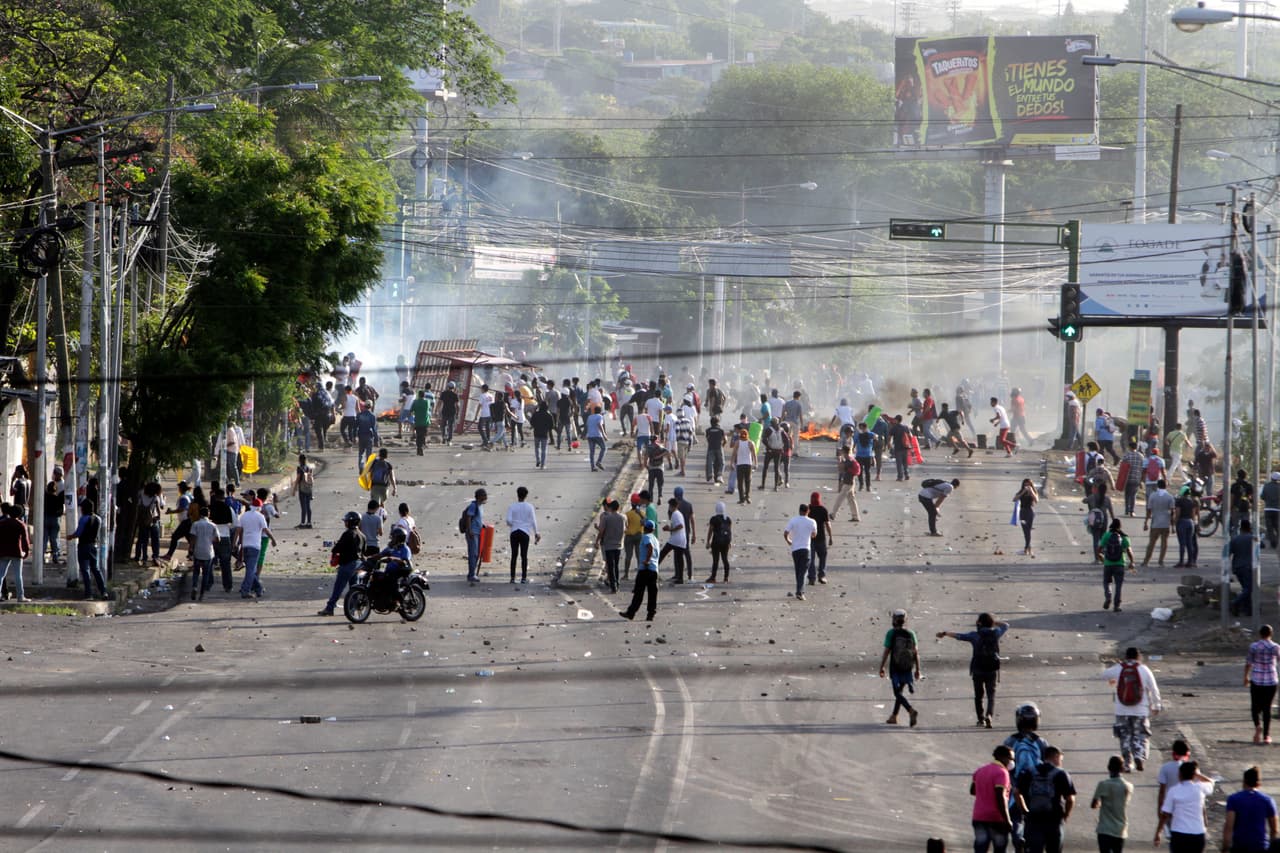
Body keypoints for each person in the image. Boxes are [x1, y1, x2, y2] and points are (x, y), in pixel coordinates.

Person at [937, 612, 1009, 728]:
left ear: (979, 623)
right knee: (991, 695)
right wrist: (993, 622)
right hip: (992, 669)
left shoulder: (975, 635)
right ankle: (989, 715)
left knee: (978, 695)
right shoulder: (996, 633)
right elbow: (1006, 625)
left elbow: (959, 636)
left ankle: (981, 719)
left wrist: (945, 633)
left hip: (978, 669)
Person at [1103, 647, 1162, 772]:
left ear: (1126, 656)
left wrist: (1116, 672)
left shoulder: (1120, 668)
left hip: (1121, 710)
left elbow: (1104, 675)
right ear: (1138, 656)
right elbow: (1154, 688)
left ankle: (1127, 764)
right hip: (1140, 710)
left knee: (1124, 736)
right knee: (1141, 735)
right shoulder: (1144, 669)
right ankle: (1139, 756)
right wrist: (1156, 705)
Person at [1004, 703, 1049, 852]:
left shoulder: (1011, 741)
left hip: (1015, 786)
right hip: (1037, 789)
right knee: (1035, 819)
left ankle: (1019, 840)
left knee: (1016, 817)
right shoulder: (1041, 742)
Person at [1015, 745, 1075, 853]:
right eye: (1060, 760)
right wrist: (1066, 815)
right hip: (1054, 819)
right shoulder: (1061, 774)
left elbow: (1016, 793)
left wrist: (1024, 810)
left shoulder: (1029, 772)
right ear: (1056, 757)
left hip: (1033, 818)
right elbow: (1070, 799)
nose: (1060, 763)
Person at [1153, 760, 1215, 851]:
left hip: (1179, 833)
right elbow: (1211, 782)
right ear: (1193, 775)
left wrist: (1158, 832)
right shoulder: (1200, 788)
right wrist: (1197, 774)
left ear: (1180, 774)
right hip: (1197, 833)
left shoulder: (1174, 791)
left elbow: (1165, 814)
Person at [878, 608, 920, 726]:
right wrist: (917, 669)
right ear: (905, 620)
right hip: (907, 667)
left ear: (894, 620)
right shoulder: (911, 633)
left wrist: (882, 667)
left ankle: (910, 710)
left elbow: (887, 652)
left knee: (897, 693)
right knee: (900, 691)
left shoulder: (891, 633)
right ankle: (894, 716)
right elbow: (916, 652)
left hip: (895, 667)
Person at [319, 511, 366, 616]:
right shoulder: (362, 535)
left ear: (351, 522)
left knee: (339, 587)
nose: (345, 523)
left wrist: (336, 548)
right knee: (354, 588)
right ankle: (352, 609)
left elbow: (337, 548)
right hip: (358, 565)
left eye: (346, 521)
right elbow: (364, 551)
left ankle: (330, 608)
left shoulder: (348, 533)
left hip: (347, 564)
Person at [972, 744, 1017, 853]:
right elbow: (1000, 797)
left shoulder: (980, 770)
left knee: (980, 848)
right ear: (1003, 757)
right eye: (1011, 758)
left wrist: (985, 791)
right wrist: (1007, 820)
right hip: (996, 818)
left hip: (979, 817)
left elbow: (972, 790)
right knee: (999, 848)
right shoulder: (1002, 773)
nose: (1012, 762)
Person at [1224, 766, 1279, 853]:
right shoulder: (1267, 800)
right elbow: (1274, 829)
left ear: (1244, 782)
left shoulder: (1233, 799)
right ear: (1259, 783)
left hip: (1239, 846)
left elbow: (1229, 827)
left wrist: (1225, 847)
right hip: (1260, 846)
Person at [232, 499, 276, 600]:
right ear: (259, 507)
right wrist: (273, 539)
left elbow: (238, 530)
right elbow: (265, 529)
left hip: (245, 546)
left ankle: (258, 588)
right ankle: (245, 591)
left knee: (250, 569)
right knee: (251, 570)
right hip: (255, 546)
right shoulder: (260, 516)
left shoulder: (244, 516)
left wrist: (234, 543)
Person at [66, 498, 108, 601]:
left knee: (85, 570)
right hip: (94, 546)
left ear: (84, 508)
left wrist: (71, 536)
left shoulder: (84, 519)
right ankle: (103, 591)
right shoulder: (98, 518)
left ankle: (89, 594)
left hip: (84, 546)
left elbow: (79, 533)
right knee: (96, 569)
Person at [619, 519, 659, 622]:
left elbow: (649, 547)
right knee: (652, 593)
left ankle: (631, 613)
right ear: (653, 529)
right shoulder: (655, 538)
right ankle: (651, 614)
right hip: (654, 570)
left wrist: (646, 560)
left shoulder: (646, 537)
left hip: (645, 569)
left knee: (639, 593)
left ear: (644, 528)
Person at [1246, 624, 1280, 745]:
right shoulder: (1275, 647)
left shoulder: (1254, 646)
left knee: (1255, 707)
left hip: (1256, 679)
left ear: (1260, 634)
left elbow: (1249, 662)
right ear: (1271, 634)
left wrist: (1246, 676)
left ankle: (1257, 726)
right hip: (1271, 680)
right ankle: (1266, 736)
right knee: (1267, 708)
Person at [1090, 755, 1132, 853]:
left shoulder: (1103, 784)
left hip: (1105, 828)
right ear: (1122, 769)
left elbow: (1094, 804)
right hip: (1121, 829)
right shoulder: (1129, 786)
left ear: (1108, 767)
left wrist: (1100, 803)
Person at [505, 486, 540, 585]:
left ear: (517, 494)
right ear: (526, 495)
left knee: (514, 555)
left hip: (514, 532)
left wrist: (514, 524)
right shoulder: (529, 506)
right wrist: (536, 532)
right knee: (524, 555)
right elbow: (533, 521)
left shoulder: (512, 506)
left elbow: (508, 520)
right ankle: (524, 578)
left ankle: (512, 578)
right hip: (525, 532)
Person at [1097, 519, 1134, 612]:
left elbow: (1099, 550)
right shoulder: (1124, 537)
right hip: (1120, 564)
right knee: (1118, 585)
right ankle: (1116, 605)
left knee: (1107, 582)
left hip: (1108, 564)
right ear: (1120, 526)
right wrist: (1132, 562)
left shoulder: (1106, 535)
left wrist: (1102, 559)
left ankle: (1108, 597)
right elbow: (1129, 551)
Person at [783, 504, 817, 602]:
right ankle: (800, 592)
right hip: (806, 549)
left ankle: (799, 590)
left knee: (798, 571)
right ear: (808, 511)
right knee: (803, 571)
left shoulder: (793, 520)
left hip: (795, 549)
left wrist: (789, 541)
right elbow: (814, 535)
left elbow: (785, 533)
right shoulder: (812, 522)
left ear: (799, 511)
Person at [1156, 740, 1193, 827]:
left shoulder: (1166, 767)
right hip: (1188, 806)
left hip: (1171, 805)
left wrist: (1159, 808)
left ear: (1173, 752)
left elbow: (1162, 791)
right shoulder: (1192, 768)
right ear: (1187, 753)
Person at [186, 505, 218, 601]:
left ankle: (195, 586)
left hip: (198, 551)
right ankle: (202, 594)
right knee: (206, 574)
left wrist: (191, 548)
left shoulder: (195, 524)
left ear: (200, 515)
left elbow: (193, 538)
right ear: (209, 515)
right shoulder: (213, 525)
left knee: (196, 571)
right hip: (208, 552)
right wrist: (210, 540)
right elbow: (218, 539)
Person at [1142, 478, 1176, 567]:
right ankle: (1161, 561)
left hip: (1155, 522)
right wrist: (1173, 526)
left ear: (1158, 485)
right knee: (1164, 543)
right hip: (1166, 522)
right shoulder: (1169, 497)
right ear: (1166, 486)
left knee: (1151, 543)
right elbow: (1172, 512)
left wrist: (1146, 522)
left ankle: (1146, 561)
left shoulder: (1153, 496)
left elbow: (1149, 510)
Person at [1231, 519, 1259, 617]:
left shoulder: (1235, 539)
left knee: (1245, 588)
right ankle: (1235, 602)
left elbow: (1230, 551)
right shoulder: (1253, 538)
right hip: (1248, 567)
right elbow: (1262, 545)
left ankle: (1248, 609)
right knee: (1249, 588)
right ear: (1249, 528)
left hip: (1237, 567)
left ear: (1241, 528)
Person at [596, 499, 624, 593]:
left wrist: (597, 541)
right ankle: (617, 584)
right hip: (618, 545)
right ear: (618, 507)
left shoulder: (606, 518)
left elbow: (601, 531)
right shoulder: (623, 517)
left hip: (608, 545)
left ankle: (613, 586)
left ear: (611, 508)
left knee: (610, 566)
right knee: (616, 565)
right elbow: (626, 528)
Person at [805, 491, 833, 586]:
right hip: (821, 538)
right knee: (823, 557)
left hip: (810, 539)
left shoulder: (808, 509)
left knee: (811, 559)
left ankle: (812, 578)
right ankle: (821, 575)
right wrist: (830, 537)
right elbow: (828, 524)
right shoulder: (823, 510)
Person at [659, 497, 689, 584]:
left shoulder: (675, 514)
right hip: (679, 539)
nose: (669, 507)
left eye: (669, 506)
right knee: (679, 558)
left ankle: (653, 572)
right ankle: (679, 577)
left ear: (672, 506)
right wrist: (669, 528)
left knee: (663, 553)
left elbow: (680, 526)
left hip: (676, 539)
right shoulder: (677, 513)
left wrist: (670, 530)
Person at [830, 448, 861, 523]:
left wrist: (840, 461)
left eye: (841, 451)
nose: (840, 452)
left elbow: (841, 469)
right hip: (850, 482)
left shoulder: (848, 461)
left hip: (848, 483)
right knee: (851, 499)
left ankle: (833, 514)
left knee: (839, 498)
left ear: (844, 452)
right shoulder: (850, 459)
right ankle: (855, 516)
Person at [705, 500, 733, 583]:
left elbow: (710, 531)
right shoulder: (728, 519)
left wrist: (708, 542)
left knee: (716, 560)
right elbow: (729, 531)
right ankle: (726, 578)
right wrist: (729, 542)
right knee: (725, 559)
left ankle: (713, 577)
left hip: (716, 542)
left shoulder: (713, 519)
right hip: (726, 542)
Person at [1173, 484, 1200, 568]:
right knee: (1189, 543)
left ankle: (1181, 561)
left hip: (1182, 522)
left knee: (1182, 543)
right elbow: (1193, 514)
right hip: (1190, 522)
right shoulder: (1192, 501)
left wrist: (1174, 523)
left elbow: (1177, 513)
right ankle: (1190, 561)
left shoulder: (1179, 501)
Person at [462, 488, 487, 583]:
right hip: (473, 533)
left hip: (478, 532)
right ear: (479, 496)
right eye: (484, 495)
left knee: (476, 554)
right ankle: (471, 575)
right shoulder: (474, 505)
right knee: (473, 554)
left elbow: (477, 518)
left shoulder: (480, 506)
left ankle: (472, 573)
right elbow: (469, 517)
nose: (486, 497)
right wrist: (470, 530)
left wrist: (482, 525)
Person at [622, 493, 645, 582]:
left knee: (628, 556)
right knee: (639, 556)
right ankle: (640, 575)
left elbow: (625, 526)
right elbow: (645, 523)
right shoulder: (642, 513)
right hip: (639, 536)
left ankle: (626, 575)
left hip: (629, 537)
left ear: (631, 503)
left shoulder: (627, 514)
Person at [1119, 441, 1144, 517]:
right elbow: (1142, 468)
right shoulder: (1141, 456)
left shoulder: (1127, 455)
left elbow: (1122, 466)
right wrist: (1141, 480)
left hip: (1127, 478)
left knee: (1127, 495)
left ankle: (1127, 510)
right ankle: (1132, 511)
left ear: (1129, 447)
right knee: (1133, 495)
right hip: (1136, 478)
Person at [732, 427, 756, 505]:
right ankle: (747, 497)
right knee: (747, 481)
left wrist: (732, 463)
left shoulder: (737, 443)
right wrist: (755, 463)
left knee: (740, 482)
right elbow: (754, 454)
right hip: (748, 464)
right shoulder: (750, 443)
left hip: (740, 465)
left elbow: (734, 454)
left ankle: (742, 498)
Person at [1013, 479, 1037, 556]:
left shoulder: (1033, 492)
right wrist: (1023, 492)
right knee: (1025, 531)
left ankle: (1026, 549)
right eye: (1025, 485)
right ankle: (1028, 549)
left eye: (1029, 485)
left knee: (1028, 531)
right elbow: (1014, 499)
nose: (1027, 486)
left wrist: (1031, 491)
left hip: (1030, 513)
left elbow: (1036, 500)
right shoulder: (1021, 492)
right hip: (1022, 513)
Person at [529, 400, 555, 469]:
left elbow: (531, 422)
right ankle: (543, 465)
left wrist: (535, 426)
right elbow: (552, 426)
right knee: (544, 450)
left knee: (537, 448)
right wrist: (547, 429)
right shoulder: (549, 415)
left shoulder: (536, 414)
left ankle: (538, 460)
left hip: (536, 433)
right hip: (545, 434)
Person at [292, 454, 314, 529]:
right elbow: (310, 479)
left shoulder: (299, 468)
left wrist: (294, 489)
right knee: (308, 506)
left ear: (299, 460)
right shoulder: (308, 468)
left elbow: (298, 479)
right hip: (309, 489)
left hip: (302, 489)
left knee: (303, 506)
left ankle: (302, 523)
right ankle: (309, 523)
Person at [410, 387, 434, 455]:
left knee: (418, 435)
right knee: (423, 435)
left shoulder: (415, 402)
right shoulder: (427, 402)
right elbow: (429, 408)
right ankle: (421, 446)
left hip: (417, 421)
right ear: (424, 395)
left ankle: (419, 448)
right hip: (425, 421)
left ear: (419, 395)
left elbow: (411, 411)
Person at [585, 405, 607, 472]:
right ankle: (599, 461)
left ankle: (592, 467)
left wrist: (585, 434)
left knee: (592, 452)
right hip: (597, 435)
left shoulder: (589, 417)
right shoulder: (600, 416)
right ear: (600, 411)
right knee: (603, 448)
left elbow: (587, 426)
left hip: (590, 436)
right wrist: (604, 435)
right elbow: (600, 425)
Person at [438, 380, 460, 446]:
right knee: (450, 426)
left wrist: (438, 410)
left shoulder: (443, 393)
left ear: (448, 386)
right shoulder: (455, 395)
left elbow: (439, 402)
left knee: (443, 425)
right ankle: (449, 439)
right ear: (454, 387)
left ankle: (444, 437)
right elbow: (457, 405)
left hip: (444, 411)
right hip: (452, 412)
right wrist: (457, 413)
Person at [1263, 472, 1280, 550]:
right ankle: (1277, 540)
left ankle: (1273, 542)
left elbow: (1262, 496)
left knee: (1269, 527)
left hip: (1268, 509)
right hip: (1277, 510)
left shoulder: (1266, 486)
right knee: (1277, 526)